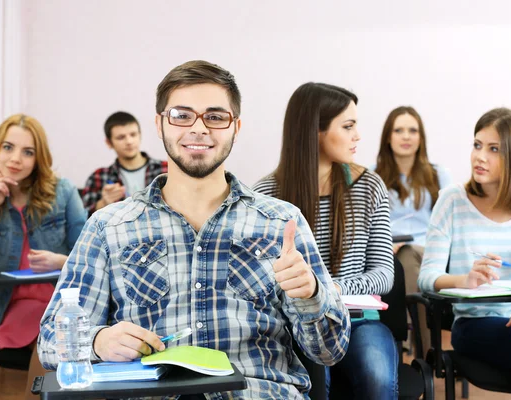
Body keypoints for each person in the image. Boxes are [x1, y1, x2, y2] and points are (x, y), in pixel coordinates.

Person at [38, 61, 351, 399]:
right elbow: (51, 342)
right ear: (160, 124)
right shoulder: (107, 226)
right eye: (182, 115)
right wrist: (98, 342)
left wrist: (311, 294)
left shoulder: (281, 222)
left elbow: (329, 352)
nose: (199, 129)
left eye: (215, 117)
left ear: (236, 127)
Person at [254, 82, 397, 399]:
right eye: (348, 126)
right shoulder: (265, 195)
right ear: (313, 132)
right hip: (294, 324)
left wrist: (330, 289)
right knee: (317, 383)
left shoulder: (369, 186)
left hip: (359, 321)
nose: (357, 136)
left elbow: (385, 275)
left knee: (378, 378)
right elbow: (261, 282)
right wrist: (310, 298)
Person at [418, 108, 511, 399]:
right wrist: (465, 279)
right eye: (477, 145)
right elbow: (426, 277)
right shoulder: (452, 200)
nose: (479, 156)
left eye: (493, 149)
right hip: (475, 325)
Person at [0, 114, 87, 399]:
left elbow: (89, 256)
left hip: (60, 302)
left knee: (56, 328)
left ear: (38, 158)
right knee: (53, 335)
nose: (15, 158)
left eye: (27, 152)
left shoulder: (63, 192)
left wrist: (60, 261)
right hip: (13, 306)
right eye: (8, 147)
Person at [374, 106, 451, 355]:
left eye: (412, 130)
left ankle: (404, 344)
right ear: (388, 136)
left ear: (421, 138)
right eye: (399, 130)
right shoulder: (371, 177)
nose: (406, 136)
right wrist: (386, 244)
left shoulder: (439, 175)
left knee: (407, 256)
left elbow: (450, 224)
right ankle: (425, 354)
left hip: (429, 252)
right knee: (400, 259)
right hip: (385, 251)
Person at [81, 111, 168, 214]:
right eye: (121, 137)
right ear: (109, 143)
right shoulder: (98, 177)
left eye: (133, 135)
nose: (129, 141)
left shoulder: (165, 169)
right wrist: (103, 203)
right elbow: (82, 219)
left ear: (140, 136)